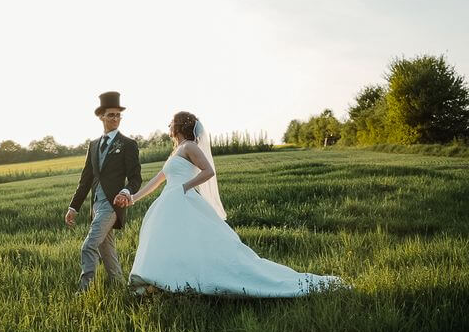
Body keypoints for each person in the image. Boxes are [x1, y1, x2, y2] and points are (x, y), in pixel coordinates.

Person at [120, 111, 343, 297]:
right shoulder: (175, 151)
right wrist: (134, 197)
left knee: (194, 243)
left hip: (182, 200)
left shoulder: (190, 147)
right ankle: (163, 283)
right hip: (168, 202)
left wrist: (185, 187)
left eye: (171, 122)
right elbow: (157, 181)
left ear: (178, 126)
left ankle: (182, 282)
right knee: (168, 242)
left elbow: (209, 171)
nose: (168, 125)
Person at [65, 91, 142, 293]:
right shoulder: (93, 146)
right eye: (111, 115)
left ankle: (84, 291)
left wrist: (126, 192)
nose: (115, 119)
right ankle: (120, 288)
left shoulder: (128, 144)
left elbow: (135, 178)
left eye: (118, 115)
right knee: (106, 250)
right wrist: (74, 207)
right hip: (96, 205)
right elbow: (85, 180)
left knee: (88, 246)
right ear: (101, 116)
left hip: (113, 204)